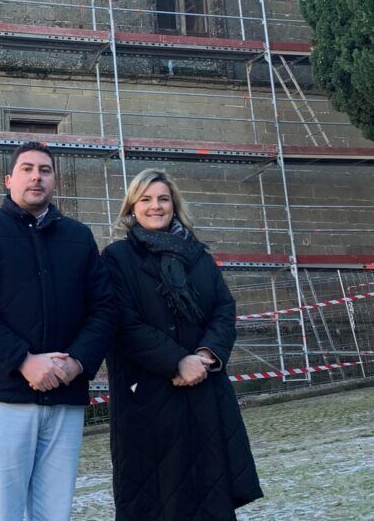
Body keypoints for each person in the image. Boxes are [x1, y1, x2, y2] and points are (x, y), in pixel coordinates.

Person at [0, 141, 116, 520]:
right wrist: (23, 360)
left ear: (55, 180)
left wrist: (76, 362)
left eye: (45, 170)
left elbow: (104, 309)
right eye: (27, 169)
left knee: (55, 511)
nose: (36, 177)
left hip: (65, 396)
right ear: (9, 179)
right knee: (3, 510)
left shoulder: (79, 237)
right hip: (5, 394)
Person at [102, 168, 262, 520]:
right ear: (132, 208)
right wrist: (177, 361)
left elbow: (223, 308)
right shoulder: (117, 259)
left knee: (210, 495)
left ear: (174, 205)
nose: (155, 206)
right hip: (148, 399)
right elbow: (123, 323)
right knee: (158, 500)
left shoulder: (198, 256)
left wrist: (206, 354)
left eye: (163, 199)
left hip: (203, 393)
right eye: (145, 199)